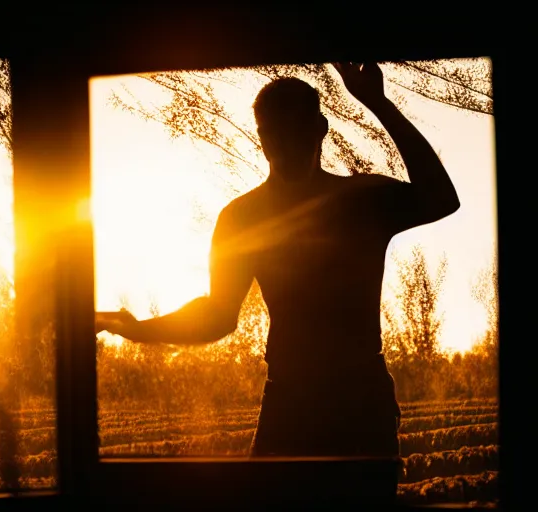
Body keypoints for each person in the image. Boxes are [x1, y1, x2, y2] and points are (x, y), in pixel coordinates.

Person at [96, 63, 460, 499]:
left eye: (293, 132)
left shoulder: (362, 199)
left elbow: (442, 198)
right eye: (271, 135)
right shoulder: (241, 218)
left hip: (360, 403)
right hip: (289, 401)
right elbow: (218, 315)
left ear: (319, 128)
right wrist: (137, 328)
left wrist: (378, 103)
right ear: (261, 137)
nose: (281, 146)